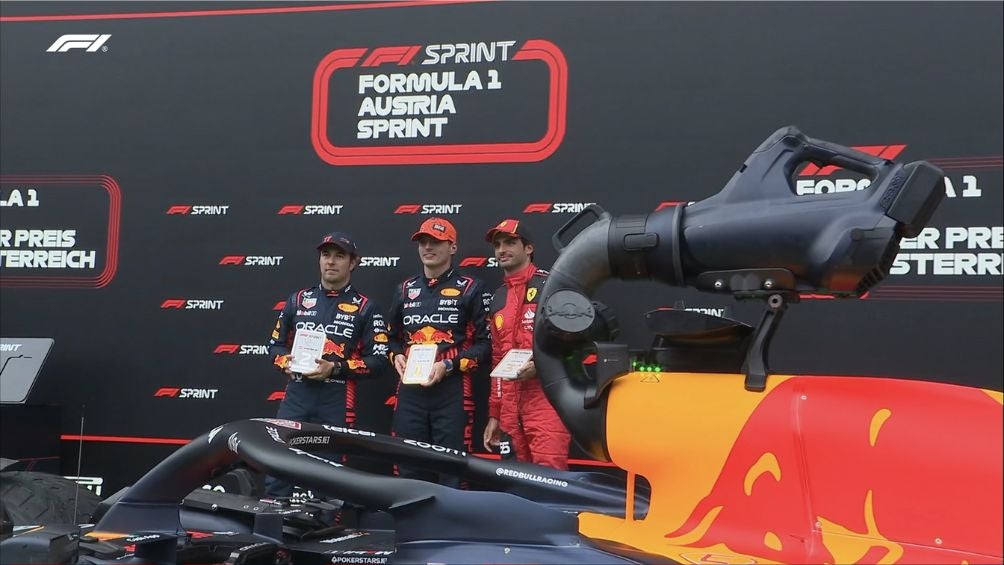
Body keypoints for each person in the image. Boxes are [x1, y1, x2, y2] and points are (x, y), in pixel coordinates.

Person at [265, 232, 390, 497]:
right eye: (326, 255)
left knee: (330, 476)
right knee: (279, 468)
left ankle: (323, 535)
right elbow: (274, 346)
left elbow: (378, 361)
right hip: (297, 396)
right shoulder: (297, 301)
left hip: (336, 398)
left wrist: (335, 368)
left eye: (339, 256)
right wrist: (285, 361)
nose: (331, 262)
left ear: (353, 262)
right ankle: (273, 527)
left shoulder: (366, 308)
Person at [387, 218, 491, 486]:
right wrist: (395, 355)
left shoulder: (471, 288)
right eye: (423, 242)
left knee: (452, 470)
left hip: (452, 390)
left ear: (453, 247)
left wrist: (449, 366)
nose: (428, 247)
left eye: (436, 241)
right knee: (407, 466)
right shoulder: (404, 289)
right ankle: (411, 527)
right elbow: (390, 338)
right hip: (410, 391)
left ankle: (452, 528)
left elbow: (485, 345)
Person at [482, 219, 571, 470]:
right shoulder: (498, 297)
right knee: (515, 480)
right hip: (510, 406)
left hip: (547, 398)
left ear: (528, 248)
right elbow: (498, 358)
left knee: (551, 477)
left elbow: (574, 343)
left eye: (510, 242)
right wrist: (495, 414)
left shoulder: (550, 286)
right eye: (497, 245)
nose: (501, 250)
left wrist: (541, 367)